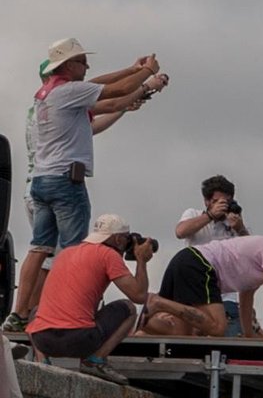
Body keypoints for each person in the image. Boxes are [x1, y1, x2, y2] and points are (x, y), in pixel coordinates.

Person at [7, 39, 167, 332]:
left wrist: (132, 69)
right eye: (81, 60)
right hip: (66, 182)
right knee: (72, 254)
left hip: (40, 182)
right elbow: (115, 95)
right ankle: (63, 315)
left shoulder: (47, 94)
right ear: (67, 66)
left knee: (38, 249)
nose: (87, 65)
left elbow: (100, 87)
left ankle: (19, 314)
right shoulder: (69, 92)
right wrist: (147, 79)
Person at [25, 215, 202, 383]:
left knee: (37, 312)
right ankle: (96, 361)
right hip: (78, 340)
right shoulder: (108, 255)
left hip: (44, 340)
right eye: (126, 239)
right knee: (129, 308)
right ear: (118, 239)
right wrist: (141, 260)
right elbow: (139, 296)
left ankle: (43, 363)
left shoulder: (66, 253)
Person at [141, 226, 263, 339]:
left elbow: (246, 298)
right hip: (200, 264)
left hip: (185, 259)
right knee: (218, 327)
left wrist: (247, 335)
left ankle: (144, 318)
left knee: (183, 339)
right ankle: (159, 302)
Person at [173, 174, 250, 335]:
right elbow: (180, 232)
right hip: (196, 290)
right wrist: (210, 215)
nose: (223, 206)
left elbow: (251, 253)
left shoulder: (233, 223)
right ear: (207, 201)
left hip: (225, 295)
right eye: (218, 202)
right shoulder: (194, 214)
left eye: (226, 202)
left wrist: (240, 229)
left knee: (231, 335)